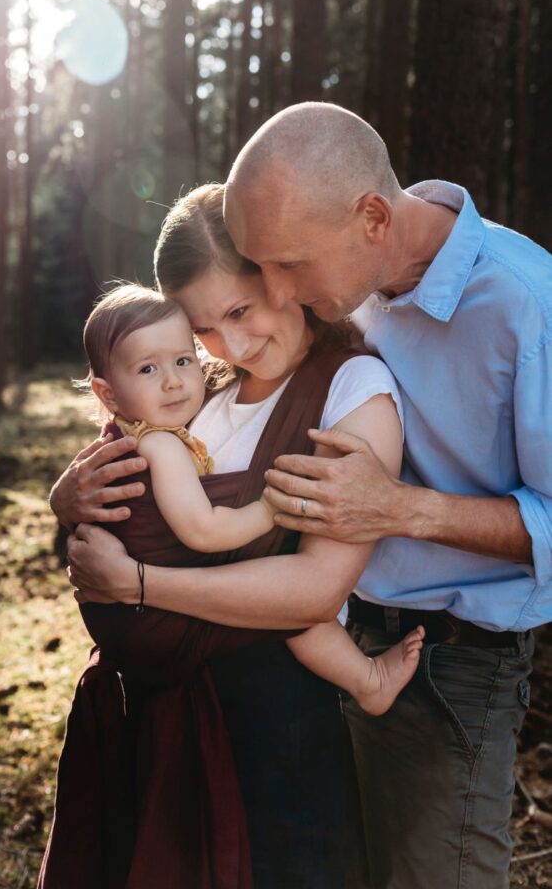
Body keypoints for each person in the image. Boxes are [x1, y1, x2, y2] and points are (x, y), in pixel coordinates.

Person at [65, 103, 552, 889]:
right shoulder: (336, 278)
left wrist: (404, 508)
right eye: (263, 273)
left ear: (369, 217)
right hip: (334, 643)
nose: (278, 292)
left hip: (453, 657)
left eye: (284, 269)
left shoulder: (525, 308)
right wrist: (73, 493)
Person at [48, 182, 408, 889]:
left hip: (273, 727)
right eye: (205, 328)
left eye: (241, 310)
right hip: (155, 715)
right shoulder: (197, 387)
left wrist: (143, 586)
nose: (232, 344)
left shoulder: (349, 388)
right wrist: (66, 501)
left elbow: (312, 590)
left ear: (283, 277)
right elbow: (122, 500)